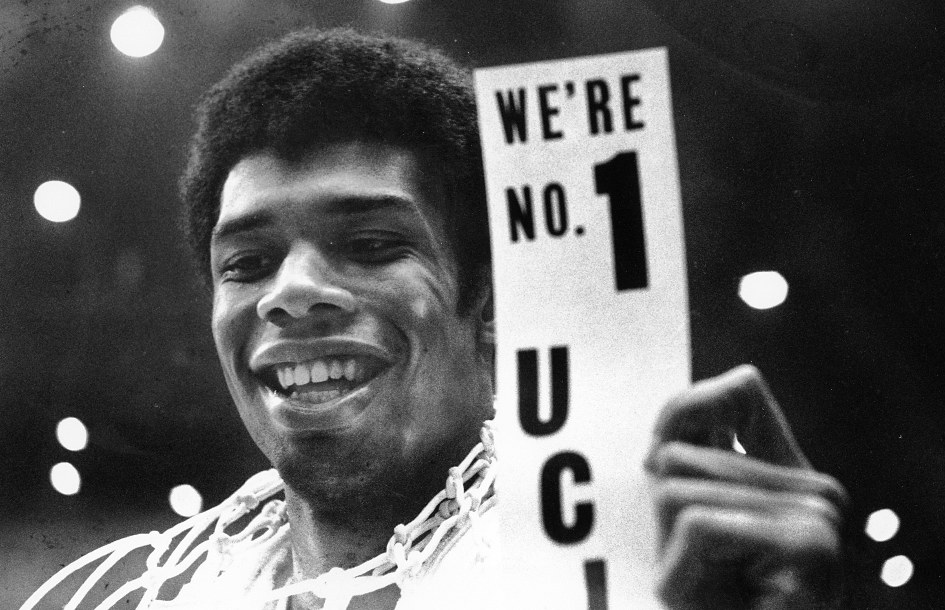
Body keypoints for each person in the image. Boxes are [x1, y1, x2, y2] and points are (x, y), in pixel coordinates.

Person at [25, 28, 847, 610]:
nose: (292, 291)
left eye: (372, 244)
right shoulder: (124, 595)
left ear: (485, 301)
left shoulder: (647, 565)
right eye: (246, 263)